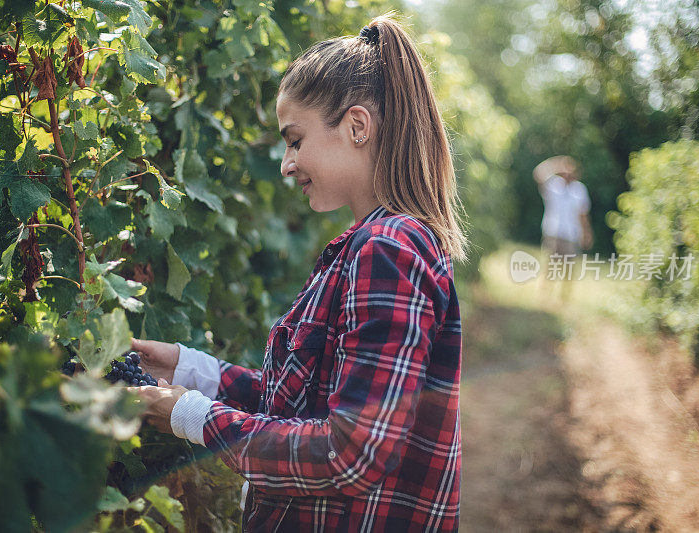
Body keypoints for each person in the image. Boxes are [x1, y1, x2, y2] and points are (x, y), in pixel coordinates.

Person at [132, 14, 466, 532]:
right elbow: (303, 401)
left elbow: (350, 453)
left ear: (357, 127)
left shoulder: (388, 251)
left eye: (295, 139)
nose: (286, 163)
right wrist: (187, 370)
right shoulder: (362, 248)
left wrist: (191, 415)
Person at [533, 155, 593, 300]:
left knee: (569, 269)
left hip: (571, 236)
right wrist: (556, 165)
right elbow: (538, 173)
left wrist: (587, 233)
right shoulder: (553, 185)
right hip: (553, 233)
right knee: (550, 267)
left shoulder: (579, 190)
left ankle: (564, 298)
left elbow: (583, 215)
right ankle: (545, 295)